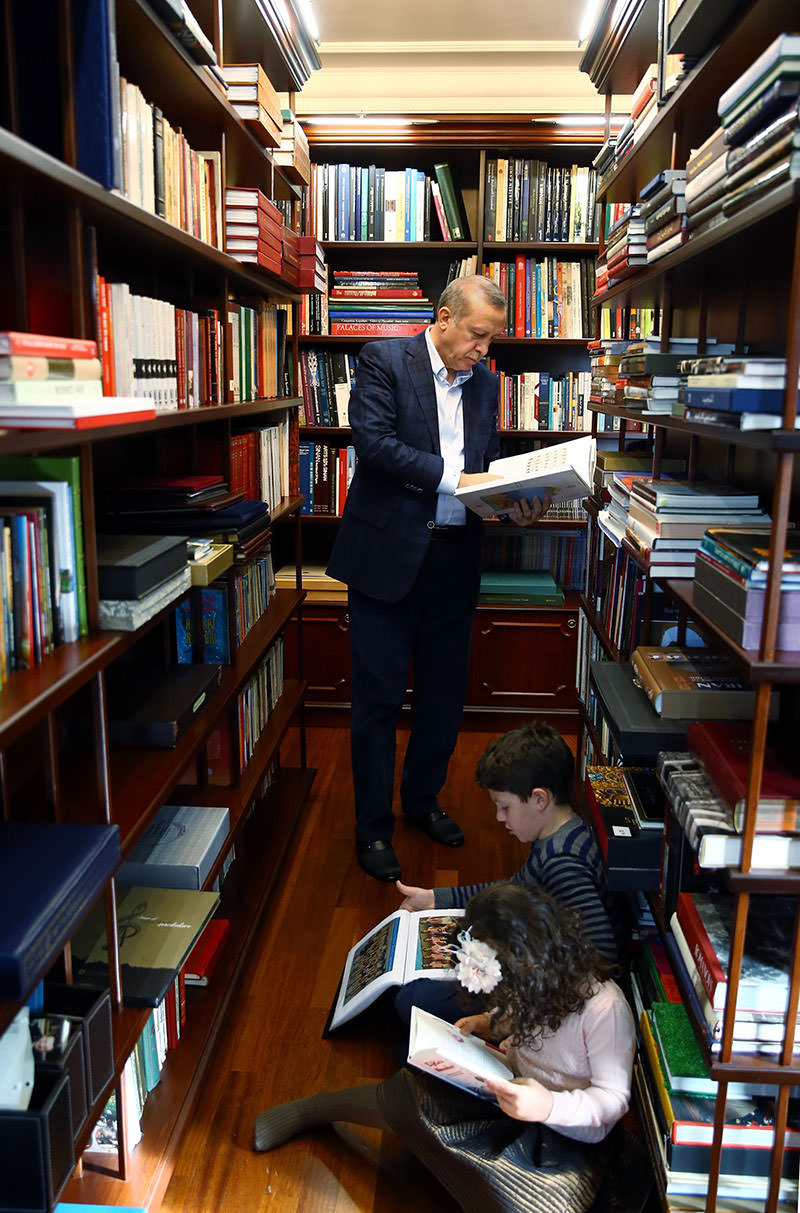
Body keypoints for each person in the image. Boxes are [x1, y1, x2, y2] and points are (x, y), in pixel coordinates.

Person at [326, 275, 549, 882]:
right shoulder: (383, 360)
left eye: (492, 339)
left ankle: (421, 801)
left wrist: (512, 502)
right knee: (377, 701)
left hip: (455, 559)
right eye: (478, 335)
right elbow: (375, 447)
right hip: (386, 559)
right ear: (444, 318)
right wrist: (459, 479)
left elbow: (485, 464)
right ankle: (373, 827)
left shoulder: (486, 383)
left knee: (443, 699)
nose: (484, 349)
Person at [253, 884, 640, 1213]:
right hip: (510, 1088)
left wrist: (549, 1107)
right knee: (412, 1092)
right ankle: (319, 1108)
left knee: (532, 1202)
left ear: (534, 966)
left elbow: (611, 1101)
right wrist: (488, 1022)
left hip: (570, 1134)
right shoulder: (536, 982)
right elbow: (517, 1015)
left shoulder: (604, 1009)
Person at [394, 721, 624, 1025]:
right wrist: (435, 898)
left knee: (413, 998)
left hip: (542, 985)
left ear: (540, 799)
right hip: (537, 957)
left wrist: (522, 983)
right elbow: (515, 888)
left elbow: (602, 956)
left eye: (504, 807)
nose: (499, 817)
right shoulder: (561, 834)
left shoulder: (562, 862)